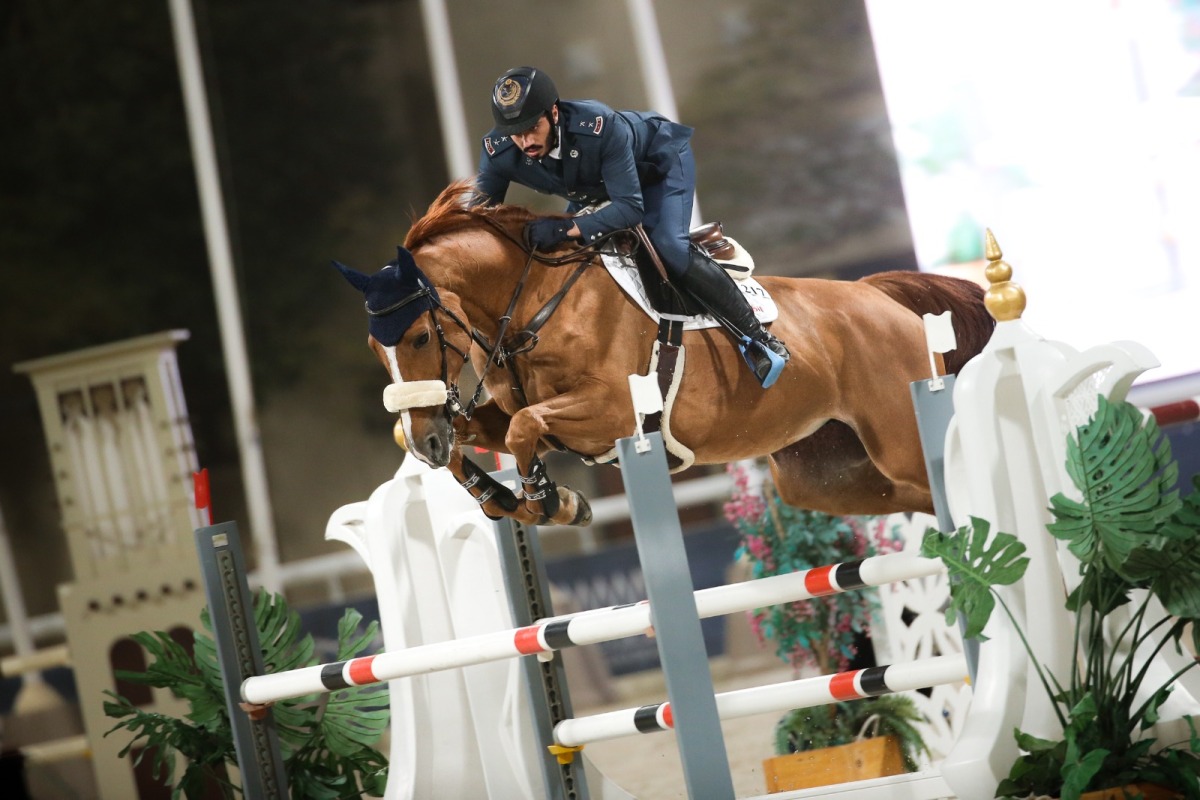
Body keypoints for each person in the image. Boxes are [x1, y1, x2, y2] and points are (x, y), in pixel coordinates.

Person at [473, 66, 789, 387]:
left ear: (554, 113)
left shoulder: (598, 126)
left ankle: (760, 339)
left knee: (667, 245)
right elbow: (477, 222)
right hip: (594, 187)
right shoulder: (498, 151)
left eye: (532, 127)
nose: (525, 141)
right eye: (516, 133)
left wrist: (564, 228)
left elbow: (629, 209)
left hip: (657, 165)